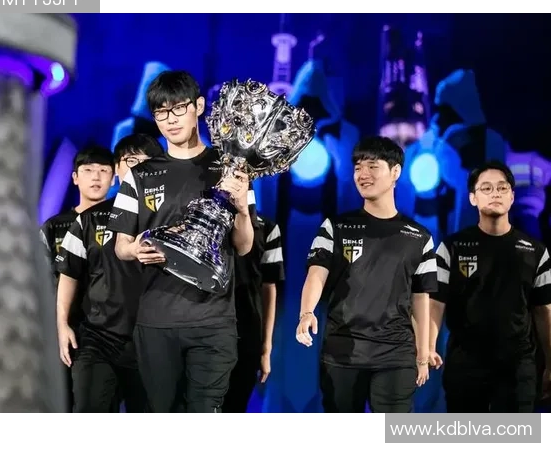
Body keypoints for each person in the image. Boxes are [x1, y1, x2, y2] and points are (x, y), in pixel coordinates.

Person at [108, 70, 256, 413]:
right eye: (161, 112)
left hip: (213, 320)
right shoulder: (139, 175)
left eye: (178, 108)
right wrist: (135, 249)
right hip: (157, 321)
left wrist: (241, 209)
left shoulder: (230, 167)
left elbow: (244, 245)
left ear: (198, 107)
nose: (170, 119)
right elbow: (120, 245)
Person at [295, 136, 437, 413]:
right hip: (343, 352)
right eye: (358, 167)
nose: (363, 174)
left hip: (396, 355)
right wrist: (306, 312)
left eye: (373, 166)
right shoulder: (335, 227)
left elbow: (421, 299)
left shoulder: (420, 237)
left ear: (395, 172)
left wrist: (422, 354)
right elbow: (316, 273)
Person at [430, 160, 551, 413]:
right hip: (465, 366)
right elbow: (435, 303)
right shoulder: (451, 247)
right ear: (473, 198)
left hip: (517, 368)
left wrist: (550, 363)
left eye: (502, 188)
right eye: (486, 188)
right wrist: (427, 349)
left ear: (512, 196)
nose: (495, 193)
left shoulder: (536, 252)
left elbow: (544, 311)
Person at [55, 137, 158, 413]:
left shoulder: (171, 217)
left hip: (154, 342)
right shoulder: (89, 219)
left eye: (146, 162)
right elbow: (69, 273)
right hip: (98, 338)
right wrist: (62, 323)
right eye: (130, 161)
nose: (137, 169)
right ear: (117, 170)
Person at [39, 145, 116, 412]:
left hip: (108, 332)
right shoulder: (54, 226)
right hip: (64, 329)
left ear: (114, 178)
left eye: (104, 170)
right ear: (74, 177)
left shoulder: (124, 225)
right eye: (88, 170)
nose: (96, 177)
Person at [223, 215, 285, 413]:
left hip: (247, 332)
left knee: (236, 407)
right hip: (205, 330)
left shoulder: (268, 228)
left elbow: (269, 286)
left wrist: (266, 349)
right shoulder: (209, 221)